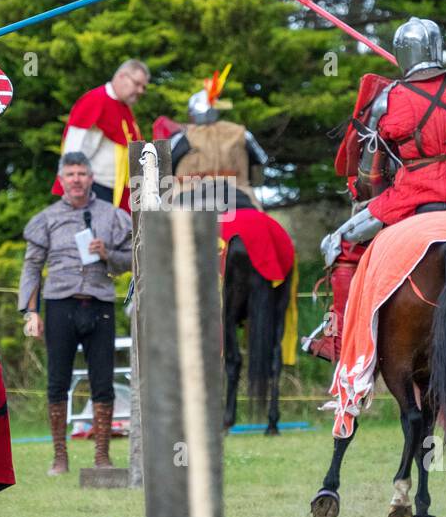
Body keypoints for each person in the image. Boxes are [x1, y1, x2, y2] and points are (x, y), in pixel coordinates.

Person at [305, 16, 446, 362]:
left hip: (413, 193)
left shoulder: (387, 100)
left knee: (339, 245)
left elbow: (370, 177)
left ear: (402, 55)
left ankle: (337, 341)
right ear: (437, 48)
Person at [21, 152, 133, 474]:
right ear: (61, 179)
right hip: (60, 305)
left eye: (82, 173)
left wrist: (108, 254)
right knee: (57, 381)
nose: (76, 180)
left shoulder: (113, 216)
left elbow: (134, 258)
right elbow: (32, 267)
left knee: (103, 382)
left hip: (99, 304)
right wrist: (31, 312)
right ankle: (60, 457)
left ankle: (102, 457)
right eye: (70, 174)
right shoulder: (46, 219)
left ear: (90, 177)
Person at [156, 64, 269, 211]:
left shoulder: (181, 138)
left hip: (190, 206)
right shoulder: (242, 134)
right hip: (241, 203)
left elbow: (159, 173)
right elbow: (260, 166)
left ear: (192, 113)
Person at [52, 59, 150, 211]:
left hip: (116, 193)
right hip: (94, 192)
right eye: (137, 84)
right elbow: (73, 149)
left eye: (143, 87)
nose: (140, 91)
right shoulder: (96, 99)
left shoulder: (124, 108)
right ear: (122, 76)